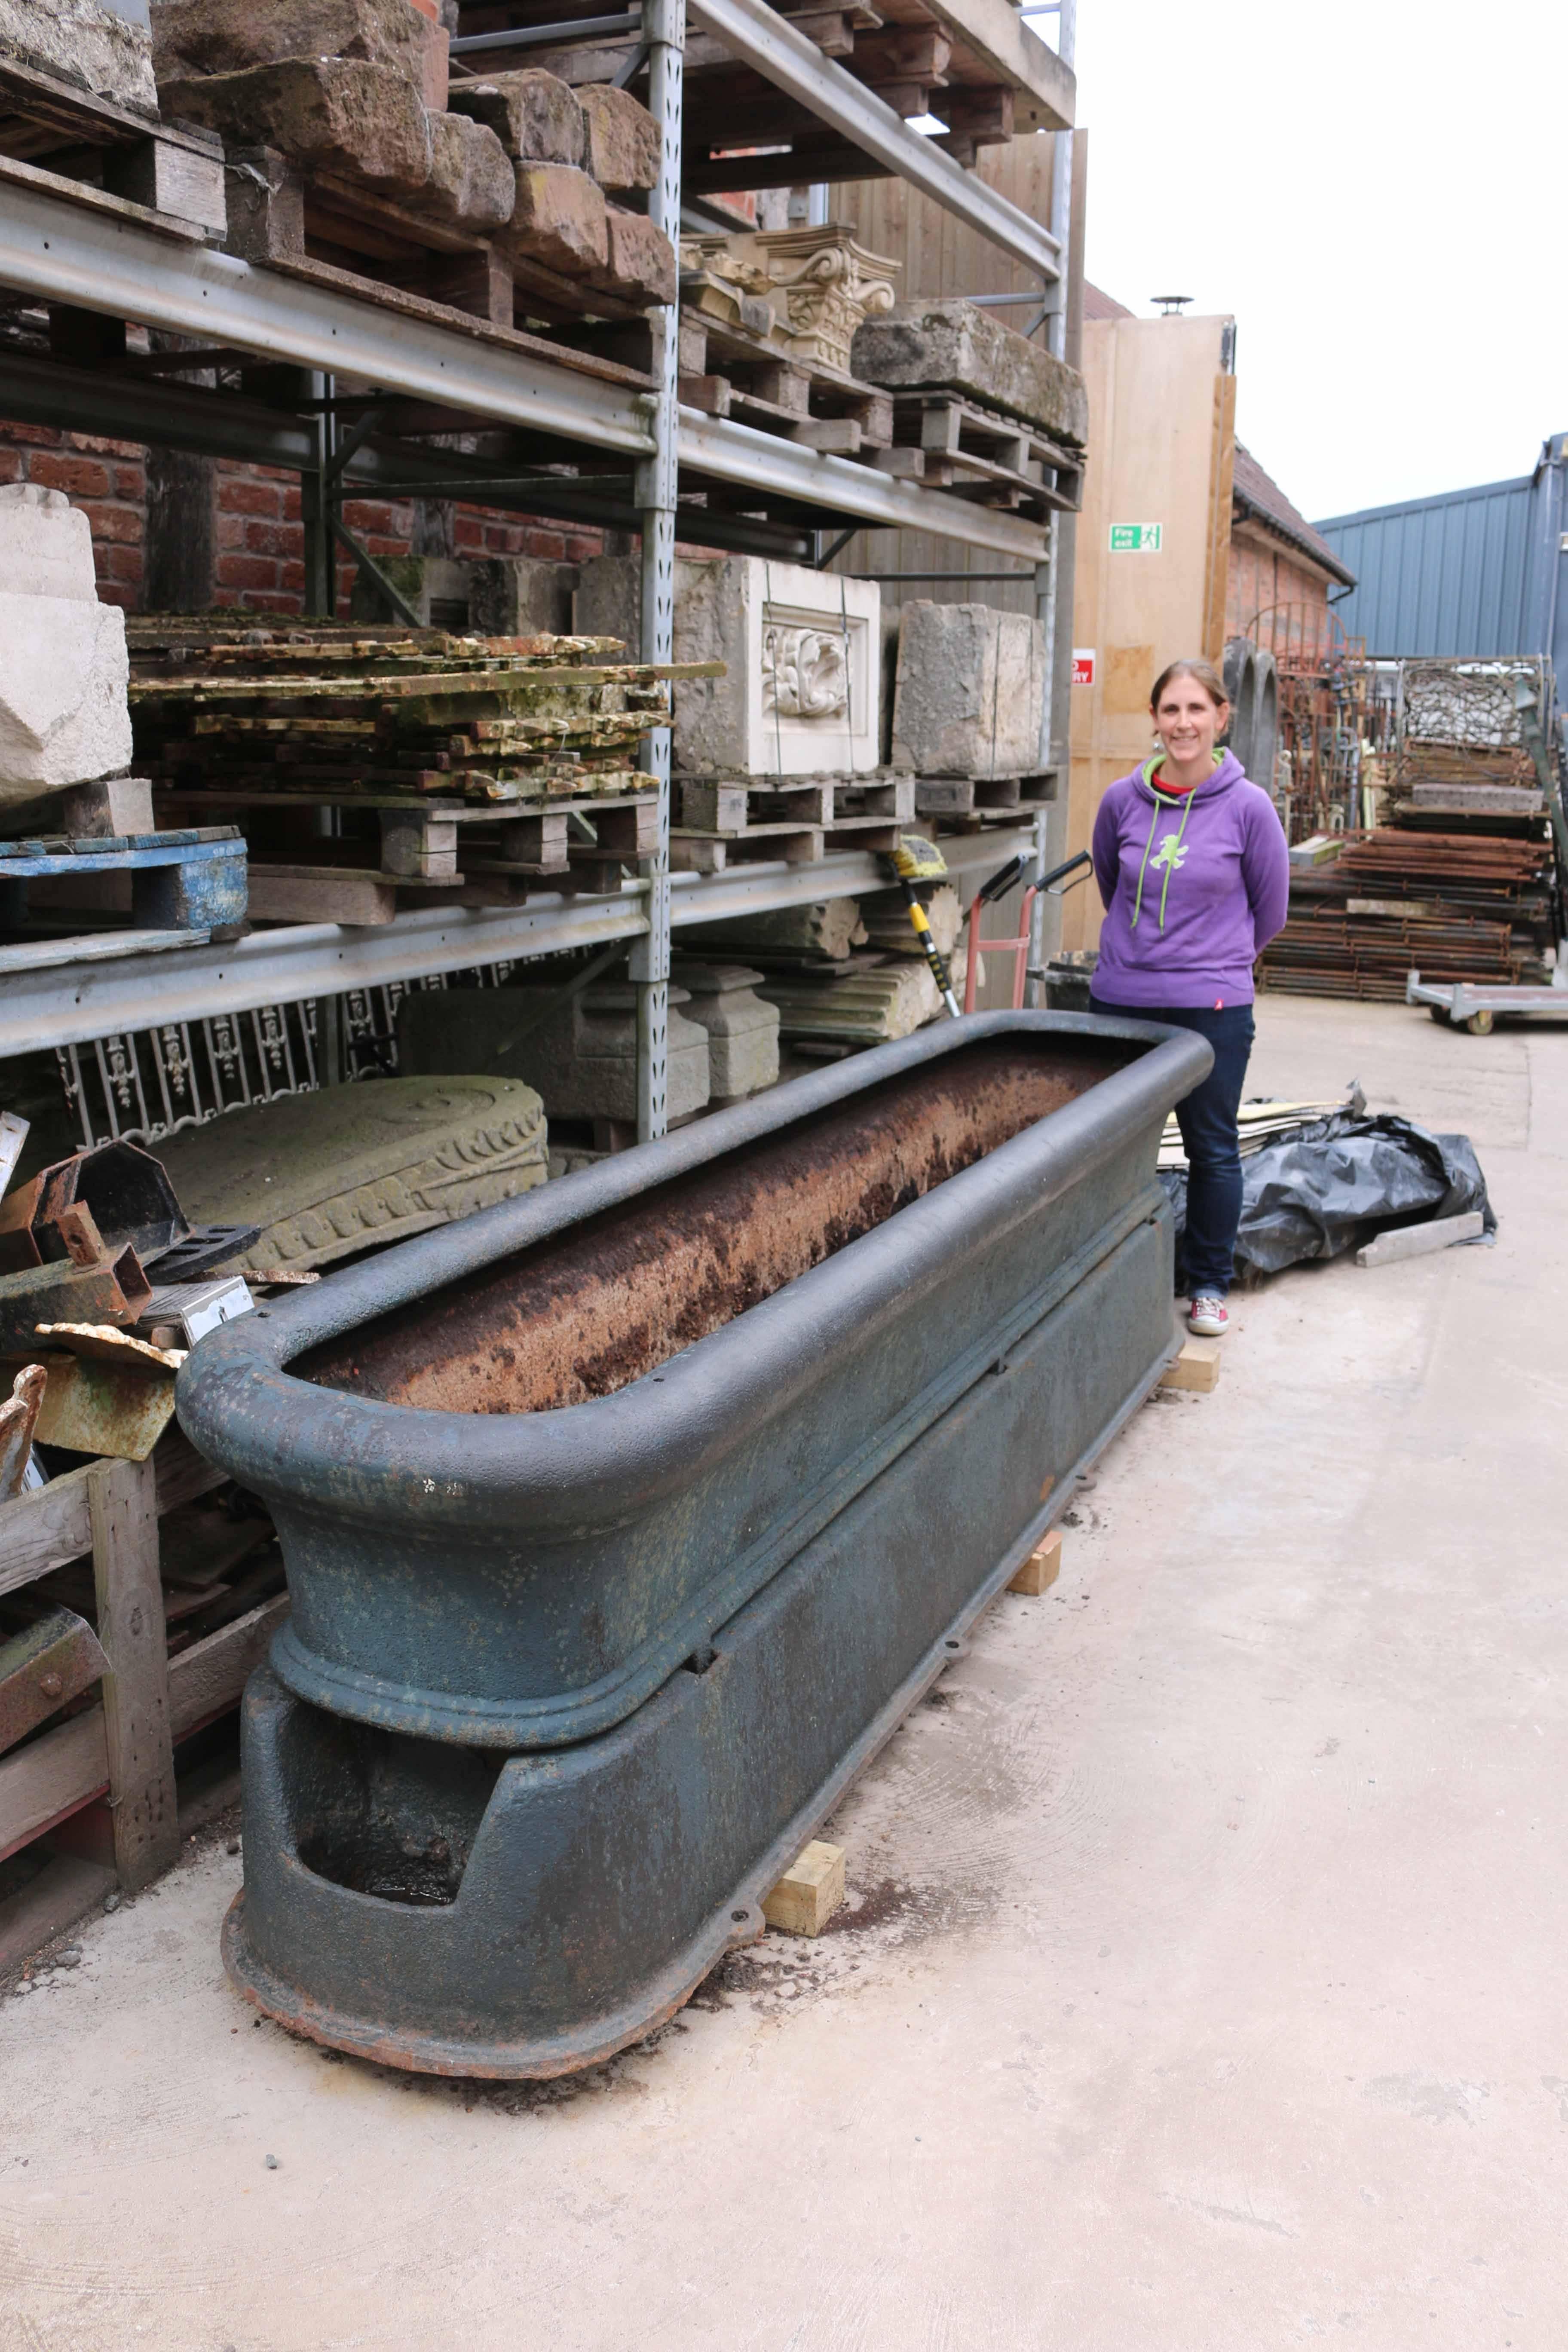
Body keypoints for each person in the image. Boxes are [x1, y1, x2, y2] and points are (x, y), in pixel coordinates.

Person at [1088, 656, 1290, 1340]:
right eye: (1170, 710)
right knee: (1116, 1147)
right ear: (1154, 721)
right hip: (1122, 1003)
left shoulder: (1249, 808)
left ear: (1221, 717)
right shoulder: (1121, 801)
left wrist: (1214, 965)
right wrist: (1143, 957)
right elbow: (1112, 884)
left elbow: (1272, 912)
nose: (1183, 724)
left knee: (1211, 1148)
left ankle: (1207, 1284)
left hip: (1212, 1012)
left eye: (1196, 710)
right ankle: (1109, 1276)